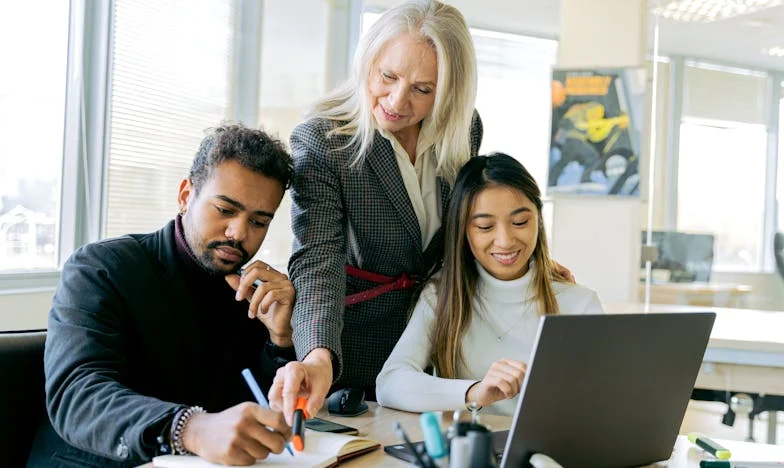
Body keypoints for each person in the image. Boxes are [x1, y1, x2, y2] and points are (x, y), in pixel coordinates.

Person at [27, 124, 296, 467]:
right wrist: (192, 428)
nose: (238, 233)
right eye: (225, 210)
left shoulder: (250, 294)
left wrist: (281, 340)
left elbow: (254, 413)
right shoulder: (101, 267)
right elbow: (78, 395)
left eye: (258, 222)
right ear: (186, 195)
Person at [270, 0, 484, 422]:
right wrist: (317, 355)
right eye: (388, 76)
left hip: (436, 353)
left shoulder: (463, 129)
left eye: (424, 89)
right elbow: (317, 259)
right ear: (367, 62)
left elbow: (468, 227)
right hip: (354, 353)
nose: (397, 100)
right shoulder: (326, 140)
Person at [375, 153, 604, 416]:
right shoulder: (442, 296)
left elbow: (605, 403)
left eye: (520, 222)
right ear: (463, 230)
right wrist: (474, 391)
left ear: (538, 220)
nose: (505, 241)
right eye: (485, 227)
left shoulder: (579, 303)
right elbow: (390, 383)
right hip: (470, 451)